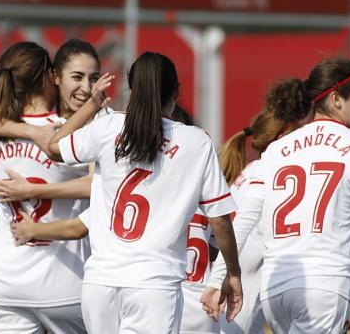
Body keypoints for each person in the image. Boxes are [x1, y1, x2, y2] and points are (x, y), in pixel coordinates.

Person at [44, 52, 242, 333]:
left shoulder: (108, 127)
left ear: (132, 91)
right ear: (176, 93)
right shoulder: (195, 141)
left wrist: (92, 104)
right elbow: (220, 219)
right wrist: (233, 272)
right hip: (153, 285)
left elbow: (54, 146)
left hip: (99, 283)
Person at [203, 57, 350, 333]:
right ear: (336, 99)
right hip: (324, 286)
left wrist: (219, 279)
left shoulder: (277, 149)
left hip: (274, 290)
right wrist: (338, 270)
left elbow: (242, 220)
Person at [4, 104, 223, 334]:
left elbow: (77, 226)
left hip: (149, 291)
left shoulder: (122, 187)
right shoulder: (199, 195)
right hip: (197, 305)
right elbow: (227, 233)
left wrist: (33, 229)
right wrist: (222, 279)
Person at [0, 41, 109, 334]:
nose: (86, 88)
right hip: (63, 281)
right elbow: (99, 185)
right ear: (52, 77)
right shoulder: (65, 130)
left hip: (4, 281)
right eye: (77, 77)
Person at [215, 109, 292, 334]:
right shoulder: (271, 176)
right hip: (240, 301)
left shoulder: (249, 171)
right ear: (281, 140)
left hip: (232, 288)